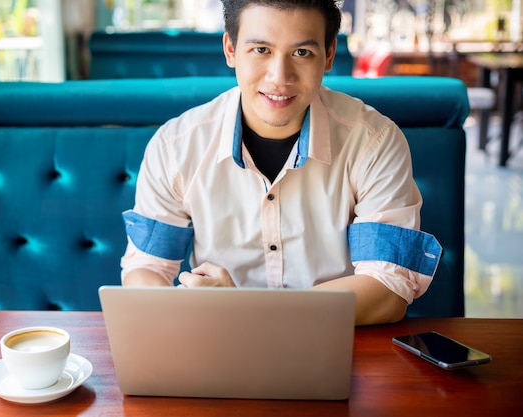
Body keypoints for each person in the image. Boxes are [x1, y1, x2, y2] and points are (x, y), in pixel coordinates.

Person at [120, 0, 442, 326]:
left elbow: (388, 289)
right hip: (218, 344)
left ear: (329, 55)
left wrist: (248, 313)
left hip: (335, 345)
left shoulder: (374, 141)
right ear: (231, 49)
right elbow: (147, 267)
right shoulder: (176, 145)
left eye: (301, 53)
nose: (280, 77)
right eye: (261, 50)